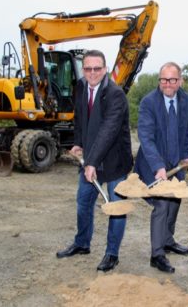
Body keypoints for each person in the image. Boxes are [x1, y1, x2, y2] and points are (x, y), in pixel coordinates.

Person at [56, 49, 133, 272]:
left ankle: (112, 254)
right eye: (87, 68)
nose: (92, 73)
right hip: (91, 157)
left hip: (115, 160)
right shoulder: (81, 87)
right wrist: (79, 142)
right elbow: (80, 118)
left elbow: (108, 130)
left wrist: (91, 162)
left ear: (105, 68)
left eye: (96, 68)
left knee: (116, 208)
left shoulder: (116, 94)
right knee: (83, 203)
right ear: (83, 69)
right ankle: (82, 244)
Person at [134, 62, 188, 273]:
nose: (167, 84)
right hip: (153, 163)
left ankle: (168, 239)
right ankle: (157, 254)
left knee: (175, 201)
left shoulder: (187, 101)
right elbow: (146, 138)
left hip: (176, 164)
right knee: (161, 206)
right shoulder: (149, 102)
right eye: (163, 79)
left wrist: (185, 156)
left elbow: (187, 132)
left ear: (180, 81)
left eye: (172, 80)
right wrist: (158, 166)